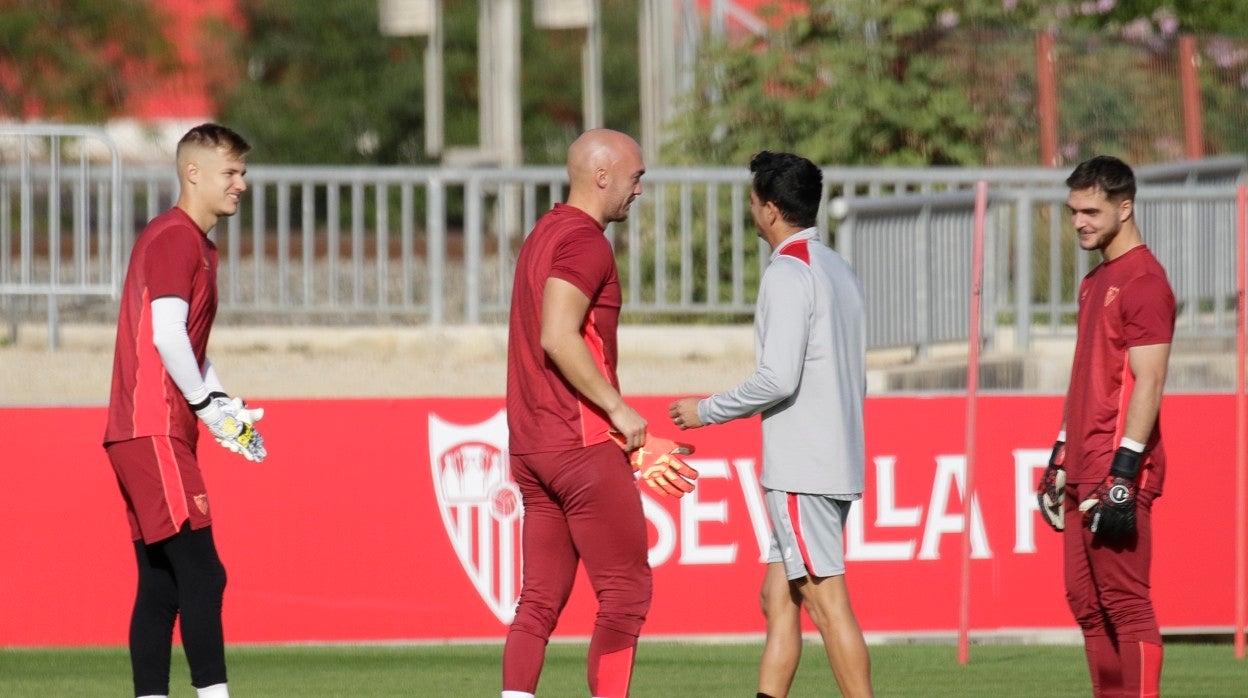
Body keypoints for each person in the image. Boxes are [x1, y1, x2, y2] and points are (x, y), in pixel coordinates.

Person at [669, 151, 873, 698]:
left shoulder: (789, 271)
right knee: (776, 598)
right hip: (836, 457)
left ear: (772, 210)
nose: (751, 209)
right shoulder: (835, 265)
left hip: (803, 468)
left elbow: (777, 379)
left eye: (755, 200)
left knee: (827, 603)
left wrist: (705, 410)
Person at [103, 123, 267, 698]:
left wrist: (219, 402)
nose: (241, 183)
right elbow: (168, 334)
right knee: (202, 572)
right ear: (192, 173)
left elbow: (187, 343)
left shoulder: (192, 241)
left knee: (162, 583)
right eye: (231, 171)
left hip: (144, 429)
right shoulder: (177, 237)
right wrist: (204, 405)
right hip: (153, 428)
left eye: (242, 172)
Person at [502, 128, 652, 698]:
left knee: (538, 603)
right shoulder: (587, 242)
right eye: (635, 178)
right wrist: (617, 408)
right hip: (580, 441)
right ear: (603, 175)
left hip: (532, 443)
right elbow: (558, 336)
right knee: (625, 593)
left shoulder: (544, 231)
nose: (639, 190)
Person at [1035, 155, 1174, 697]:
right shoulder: (1096, 282)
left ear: (1126, 206)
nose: (1079, 223)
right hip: (1084, 466)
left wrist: (1123, 471)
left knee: (1126, 606)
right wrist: (1060, 455)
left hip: (1118, 471)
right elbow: (1089, 378)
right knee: (1088, 609)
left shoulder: (1144, 281)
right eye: (1073, 212)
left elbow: (1150, 381)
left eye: (1091, 211)